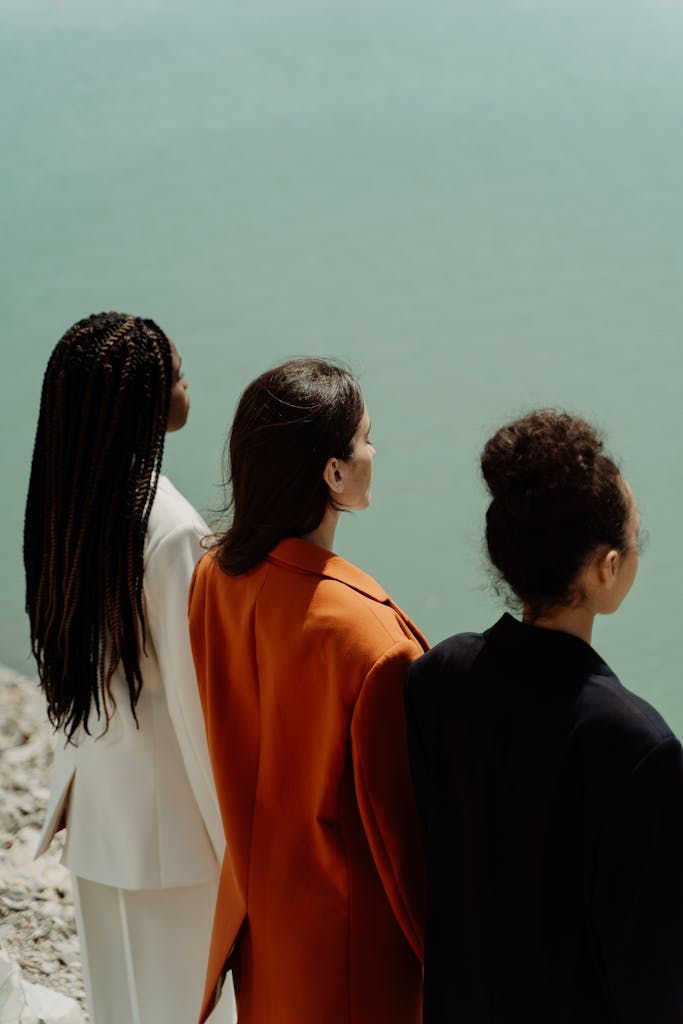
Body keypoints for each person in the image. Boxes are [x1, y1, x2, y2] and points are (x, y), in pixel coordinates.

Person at [405, 409, 683, 1023]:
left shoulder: (437, 677)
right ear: (606, 568)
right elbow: (650, 972)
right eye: (635, 537)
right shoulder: (636, 743)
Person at [189, 357, 428, 1024]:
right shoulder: (370, 637)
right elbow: (396, 832)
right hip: (350, 952)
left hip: (258, 921)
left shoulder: (214, 578)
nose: (374, 452)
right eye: (365, 439)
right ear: (333, 472)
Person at [24, 312, 235, 1024]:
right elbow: (193, 702)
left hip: (100, 807)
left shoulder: (72, 499)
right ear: (145, 401)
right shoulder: (172, 529)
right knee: (191, 1009)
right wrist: (236, 844)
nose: (187, 383)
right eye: (175, 374)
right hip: (171, 833)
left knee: (120, 1005)